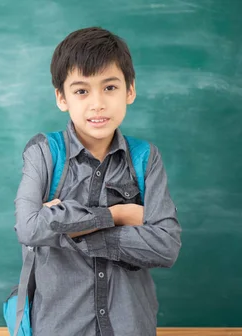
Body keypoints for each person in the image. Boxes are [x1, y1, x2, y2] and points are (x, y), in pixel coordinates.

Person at [13, 27, 182, 336]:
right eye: (81, 91)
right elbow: (29, 228)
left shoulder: (146, 158)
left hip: (131, 326)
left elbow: (166, 246)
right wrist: (115, 216)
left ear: (130, 90)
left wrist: (68, 228)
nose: (97, 103)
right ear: (61, 98)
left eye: (110, 87)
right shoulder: (44, 153)